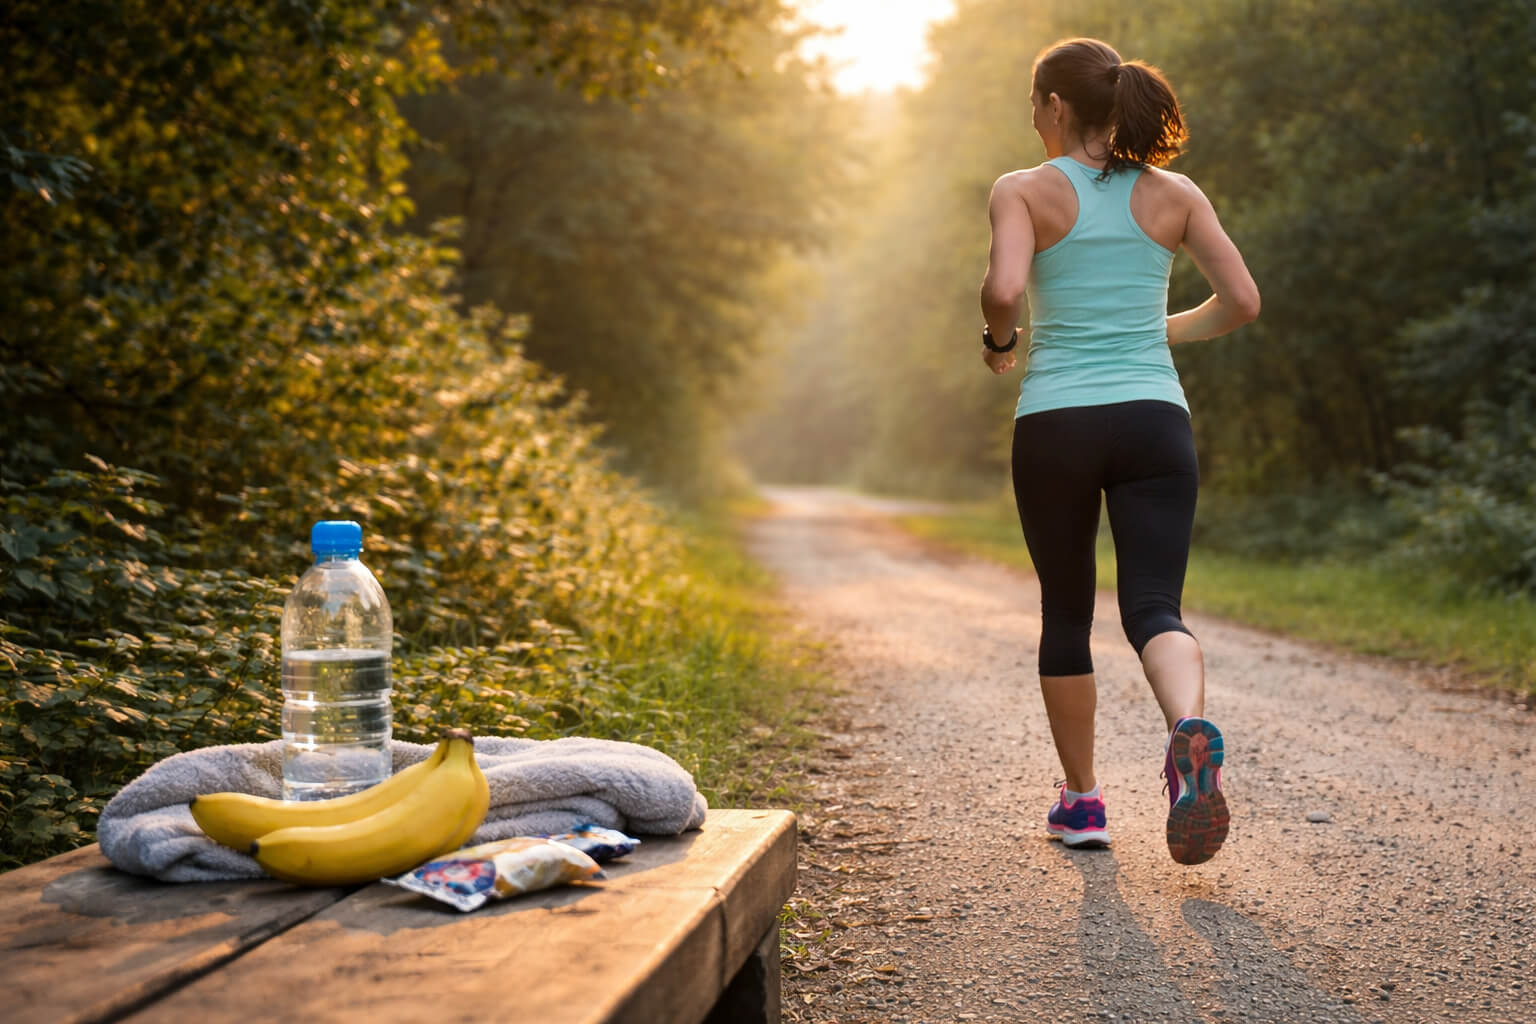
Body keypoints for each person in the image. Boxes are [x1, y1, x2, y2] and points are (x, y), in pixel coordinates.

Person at [977, 37, 1259, 865]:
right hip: (1153, 420)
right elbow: (1241, 301)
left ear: (1056, 107)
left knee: (1067, 612)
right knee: (1154, 608)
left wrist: (1000, 342)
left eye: (1034, 107)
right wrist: (1157, 331)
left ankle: (1086, 805)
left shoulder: (1023, 191)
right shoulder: (1174, 194)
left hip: (1058, 420)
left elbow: (1001, 290)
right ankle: (1185, 738)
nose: (1031, 122)